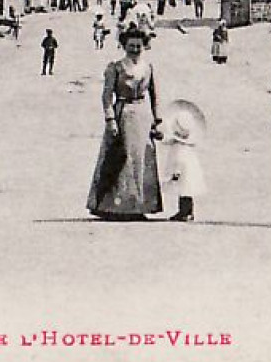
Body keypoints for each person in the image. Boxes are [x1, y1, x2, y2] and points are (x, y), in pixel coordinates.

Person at [87, 24, 163, 219]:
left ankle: (139, 206)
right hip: (123, 114)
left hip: (143, 116)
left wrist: (157, 120)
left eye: (139, 46)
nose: (135, 49)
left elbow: (155, 96)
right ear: (124, 46)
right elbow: (106, 97)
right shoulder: (116, 67)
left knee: (142, 159)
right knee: (123, 158)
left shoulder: (148, 68)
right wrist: (110, 120)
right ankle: (114, 207)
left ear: (144, 46)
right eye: (131, 45)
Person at [161, 99, 207, 222]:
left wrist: (175, 173)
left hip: (183, 173)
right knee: (187, 193)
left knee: (184, 193)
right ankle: (188, 212)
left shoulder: (179, 148)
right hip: (189, 172)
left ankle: (185, 213)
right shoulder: (187, 147)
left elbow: (179, 161)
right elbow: (167, 141)